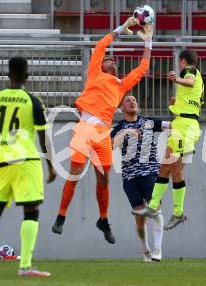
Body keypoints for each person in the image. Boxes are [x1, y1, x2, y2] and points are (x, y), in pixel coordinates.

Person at [51, 17, 153, 244]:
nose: (111, 61)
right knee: (75, 171)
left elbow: (143, 68)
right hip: (86, 127)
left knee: (104, 179)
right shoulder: (94, 74)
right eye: (108, 60)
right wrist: (119, 30)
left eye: (114, 61)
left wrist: (149, 41)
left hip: (103, 133)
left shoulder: (121, 85)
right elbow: (100, 46)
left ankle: (104, 220)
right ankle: (61, 216)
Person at [0, 57, 57, 277]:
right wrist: (51, 166)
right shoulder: (33, 101)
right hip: (27, 162)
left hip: (3, 162)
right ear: (27, 76)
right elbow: (44, 137)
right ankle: (24, 266)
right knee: (31, 212)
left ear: (7, 75)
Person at [132, 49, 204, 231]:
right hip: (180, 123)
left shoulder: (191, 71)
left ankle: (178, 212)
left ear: (183, 61)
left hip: (186, 126)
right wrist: (176, 102)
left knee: (175, 168)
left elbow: (189, 82)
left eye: (179, 62)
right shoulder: (197, 82)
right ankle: (152, 206)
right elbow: (194, 99)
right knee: (165, 166)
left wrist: (177, 79)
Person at [111, 95, 170, 261]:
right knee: (139, 217)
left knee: (155, 207)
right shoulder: (118, 128)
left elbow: (171, 126)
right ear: (122, 107)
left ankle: (158, 250)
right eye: (128, 101)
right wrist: (127, 132)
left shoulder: (148, 122)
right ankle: (145, 249)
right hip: (130, 177)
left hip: (150, 172)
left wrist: (179, 113)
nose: (132, 102)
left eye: (135, 100)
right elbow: (109, 146)